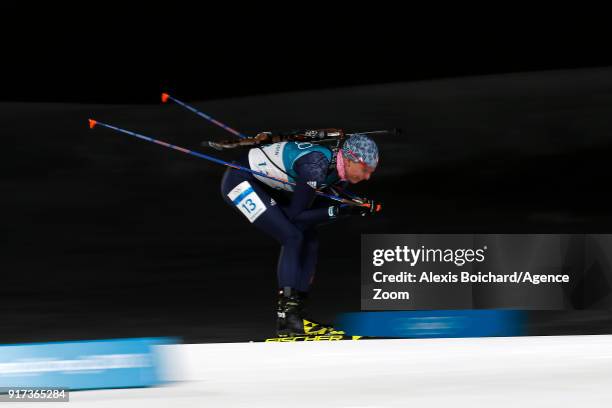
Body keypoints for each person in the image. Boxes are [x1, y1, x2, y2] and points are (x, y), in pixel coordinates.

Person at [220, 131, 380, 337]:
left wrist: (346, 209)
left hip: (264, 185)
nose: (367, 176)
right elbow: (297, 217)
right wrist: (342, 211)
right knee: (292, 236)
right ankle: (287, 317)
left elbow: (313, 217)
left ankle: (297, 314)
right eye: (365, 169)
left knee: (309, 239)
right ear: (349, 160)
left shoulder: (340, 176)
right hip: (238, 181)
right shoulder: (315, 166)